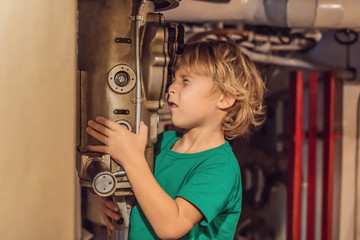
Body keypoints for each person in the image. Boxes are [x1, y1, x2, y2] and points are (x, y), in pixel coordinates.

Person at [86, 40, 265, 239]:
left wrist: (132, 159)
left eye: (185, 81)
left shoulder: (220, 168)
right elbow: (147, 194)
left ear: (225, 98)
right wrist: (115, 199)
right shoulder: (162, 142)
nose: (171, 87)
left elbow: (171, 226)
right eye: (174, 79)